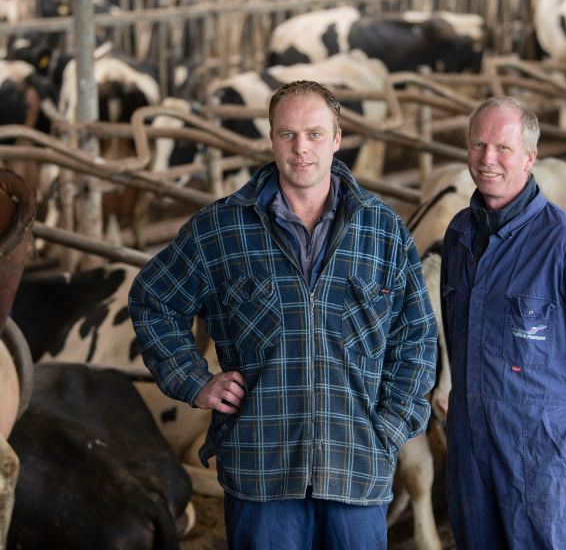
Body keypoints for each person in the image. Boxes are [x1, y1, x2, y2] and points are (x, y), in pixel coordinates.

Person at [128, 80, 437, 549]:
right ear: (271, 139)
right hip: (260, 468)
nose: (301, 148)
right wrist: (195, 380)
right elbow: (154, 300)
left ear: (337, 139)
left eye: (314, 134)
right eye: (287, 134)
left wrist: (390, 427)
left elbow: (415, 338)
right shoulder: (221, 229)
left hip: (356, 465)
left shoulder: (383, 230)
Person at [440, 96, 566, 549]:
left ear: (531, 158)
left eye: (503, 148)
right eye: (478, 145)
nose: (487, 159)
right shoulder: (456, 236)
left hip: (543, 460)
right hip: (471, 455)